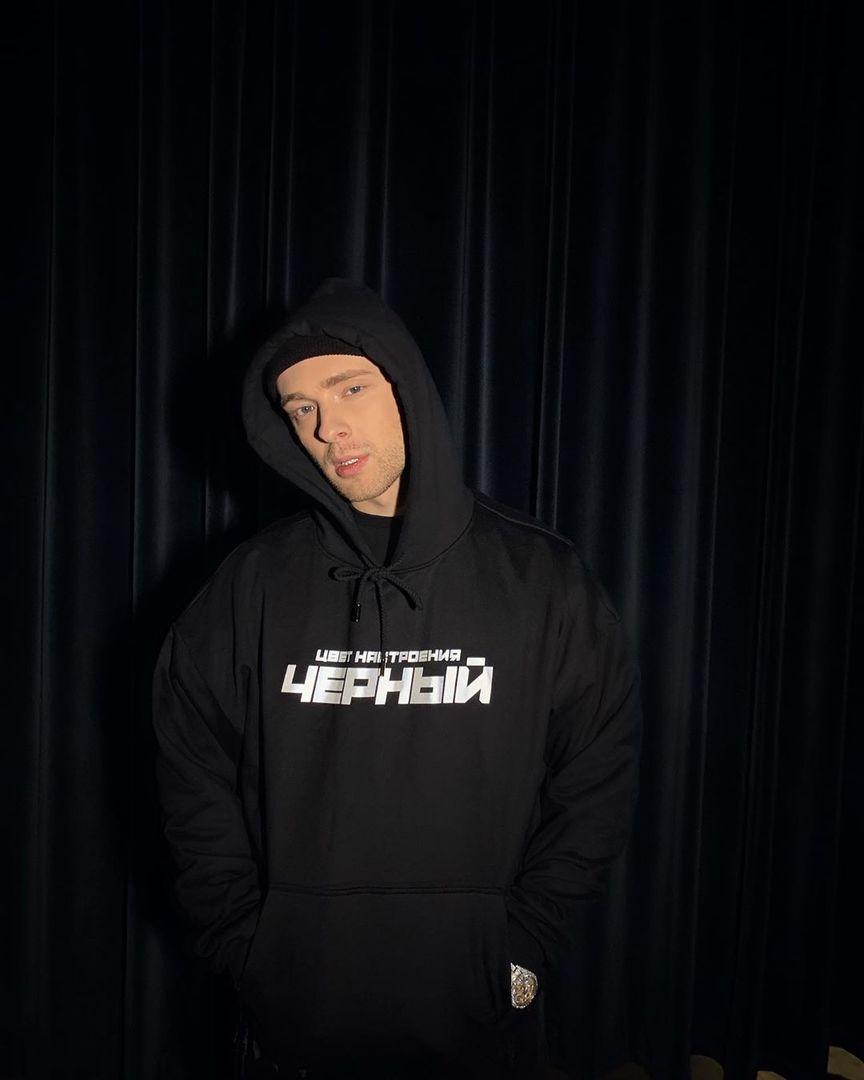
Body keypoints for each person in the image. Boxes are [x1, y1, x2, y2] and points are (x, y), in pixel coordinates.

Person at [152, 279, 641, 1079]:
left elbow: (597, 776)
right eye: (300, 408)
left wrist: (525, 947)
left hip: (479, 1011)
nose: (326, 427)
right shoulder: (253, 583)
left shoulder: (540, 578)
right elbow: (189, 767)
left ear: (407, 388)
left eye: (349, 388)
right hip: (292, 1015)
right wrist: (244, 944)